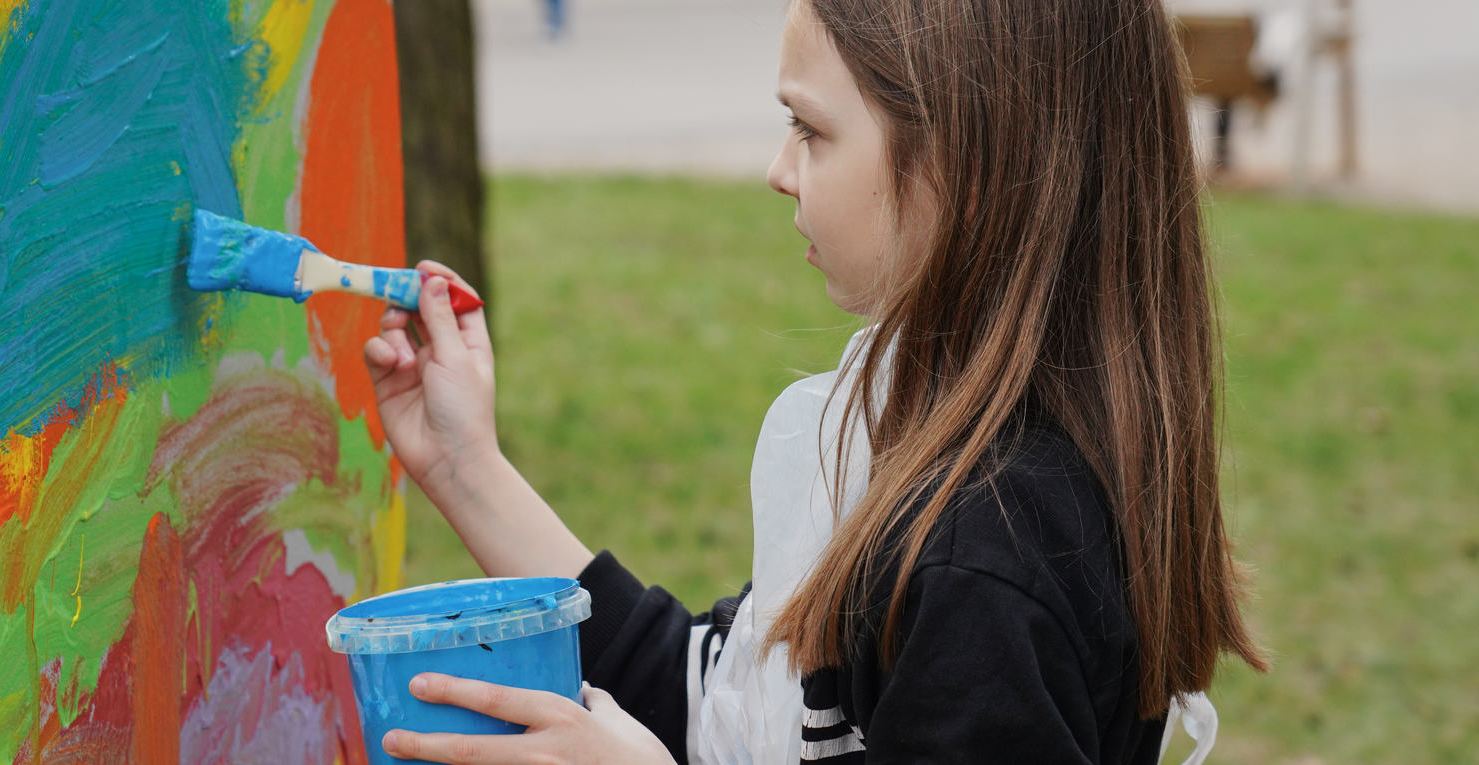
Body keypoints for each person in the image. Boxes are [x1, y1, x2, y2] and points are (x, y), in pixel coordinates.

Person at [361, 0, 1269, 762]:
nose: (778, 169)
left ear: (966, 163)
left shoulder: (987, 559)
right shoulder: (927, 435)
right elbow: (725, 704)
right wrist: (463, 463)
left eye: (810, 128)